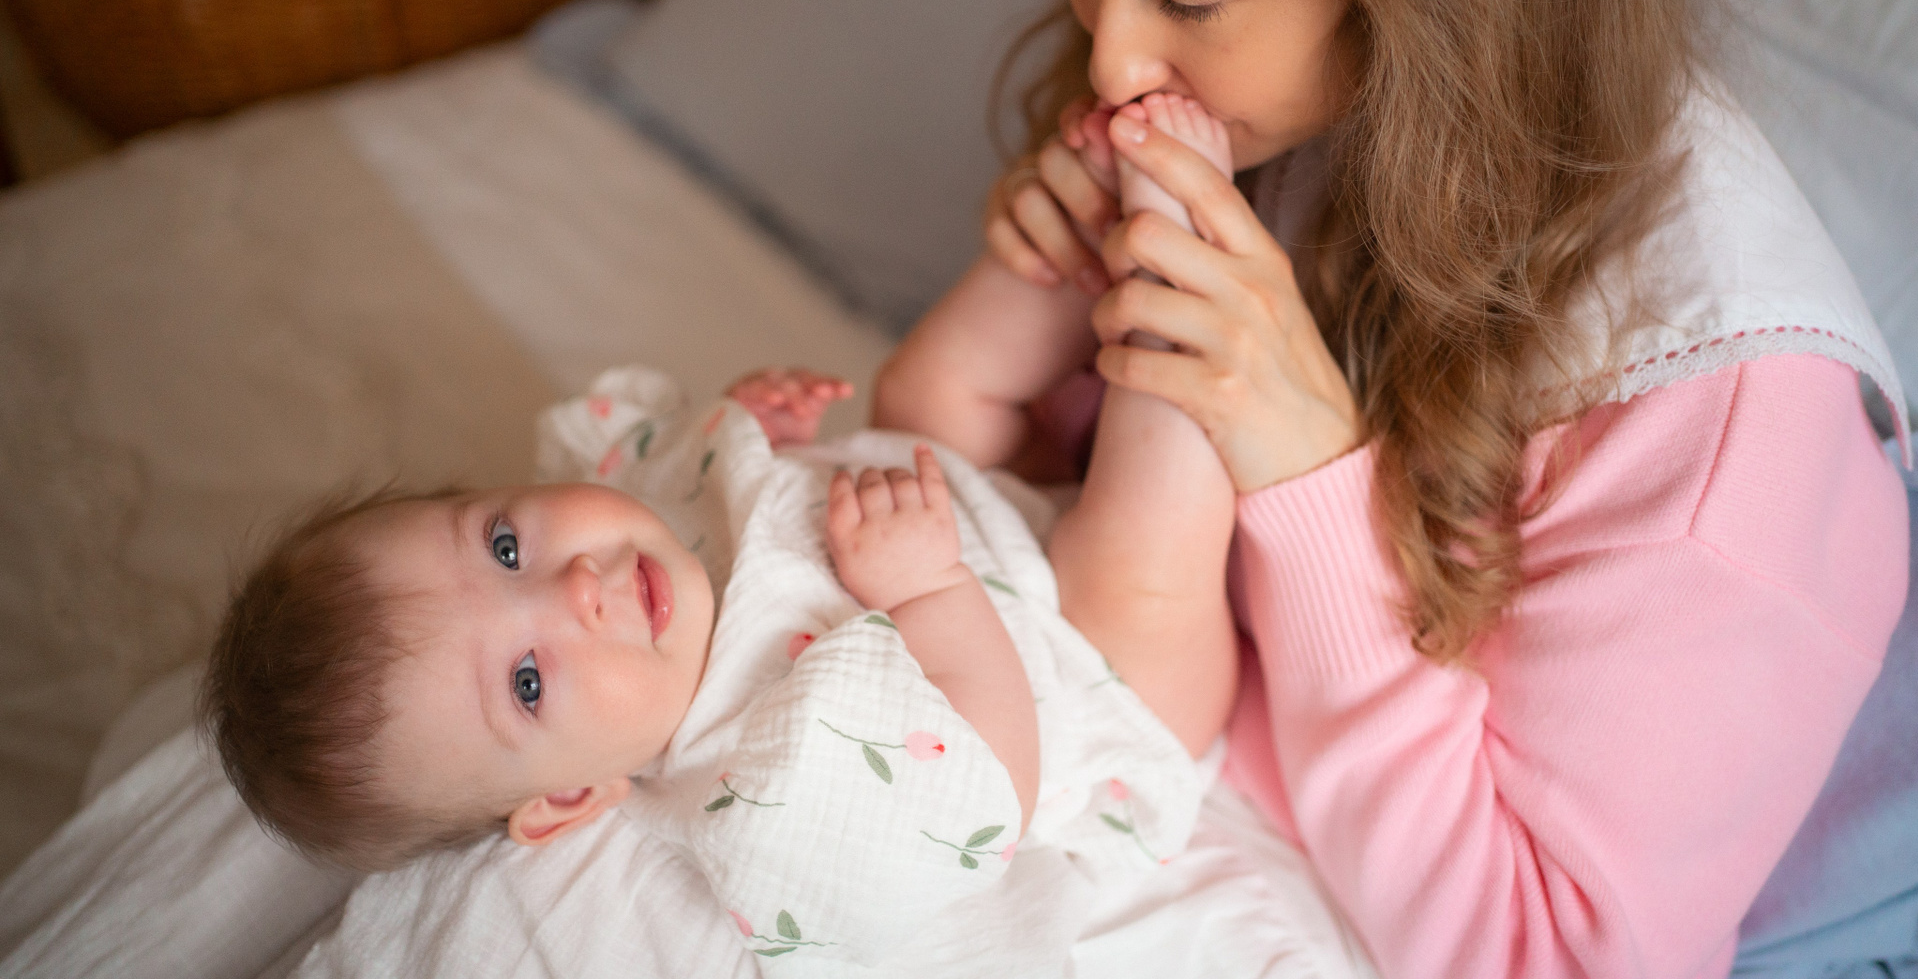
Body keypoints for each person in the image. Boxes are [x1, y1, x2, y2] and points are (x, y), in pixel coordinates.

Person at [873, 0, 1912, 975]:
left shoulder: (1723, 447)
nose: (1111, 57)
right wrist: (1054, 292)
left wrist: (1311, 481)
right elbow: (1048, 534)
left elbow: (1544, 955)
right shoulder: (1306, 110)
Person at [202, 365, 1200, 969]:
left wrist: (760, 428)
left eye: (505, 546)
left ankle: (1089, 205)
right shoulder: (761, 780)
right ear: (570, 795)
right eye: (528, 682)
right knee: (1142, 542)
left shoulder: (635, 516)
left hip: (949, 482)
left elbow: (692, 461)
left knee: (937, 369)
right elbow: (990, 788)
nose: (576, 588)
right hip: (1093, 669)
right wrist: (931, 590)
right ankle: (1190, 284)